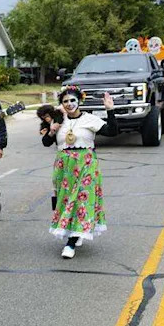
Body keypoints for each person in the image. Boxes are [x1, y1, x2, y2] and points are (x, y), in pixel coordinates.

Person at [41, 86, 118, 259]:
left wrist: (110, 110)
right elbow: (46, 142)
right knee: (67, 200)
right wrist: (52, 130)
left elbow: (112, 132)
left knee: (80, 199)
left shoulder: (90, 119)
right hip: (64, 167)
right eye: (65, 101)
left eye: (72, 100)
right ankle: (75, 232)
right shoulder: (59, 120)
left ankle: (71, 242)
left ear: (79, 101)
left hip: (86, 164)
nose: (69, 104)